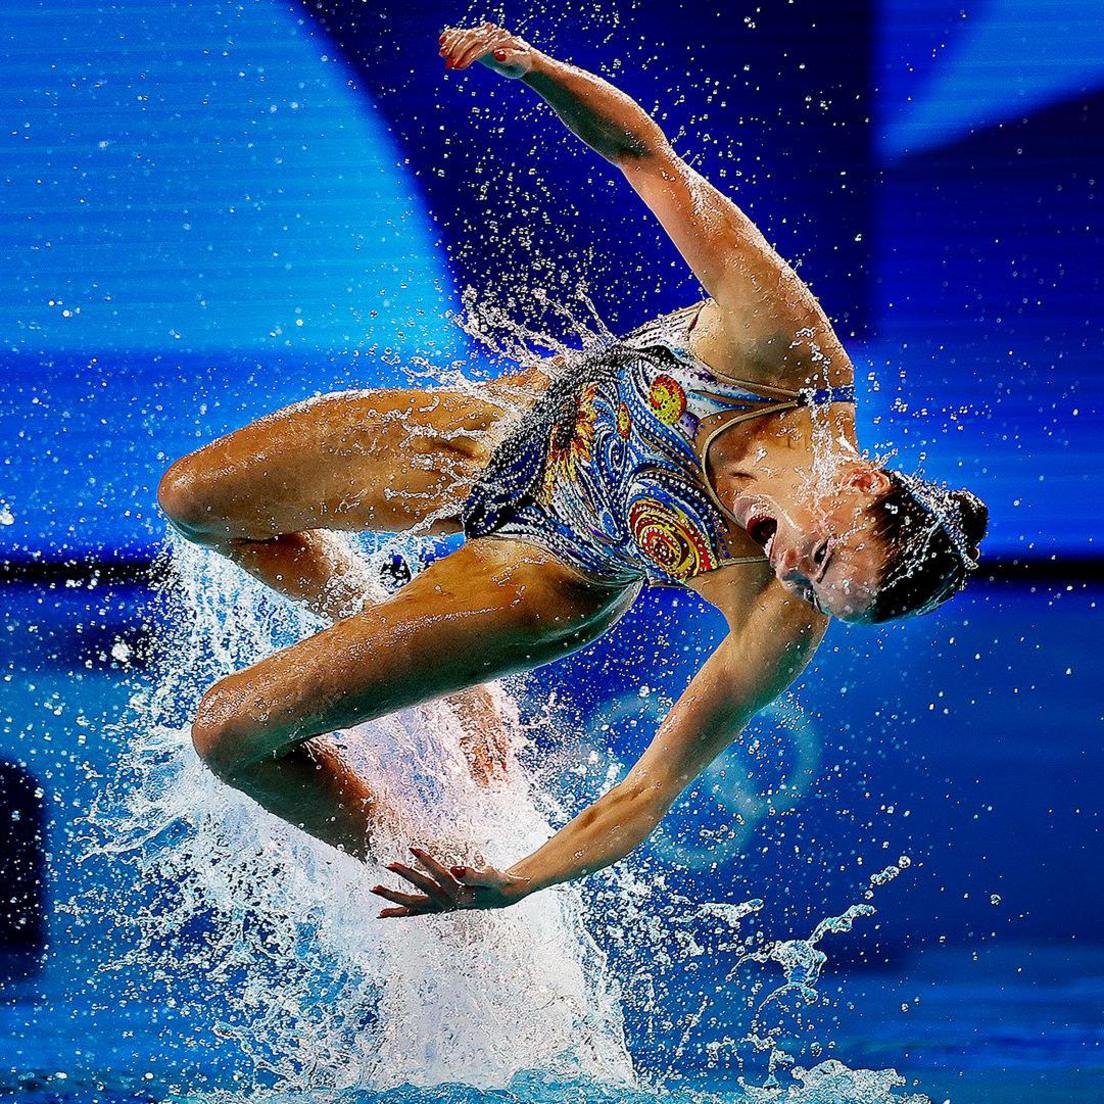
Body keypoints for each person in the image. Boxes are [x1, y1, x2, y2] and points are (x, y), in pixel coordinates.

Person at [156, 23, 988, 919]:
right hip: (491, 441)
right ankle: (424, 669)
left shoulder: (781, 614)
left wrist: (508, 885)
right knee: (195, 501)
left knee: (230, 732)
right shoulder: (783, 352)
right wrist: (535, 69)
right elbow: (645, 153)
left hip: (540, 578)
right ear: (863, 483)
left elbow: (648, 793)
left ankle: (411, 855)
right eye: (820, 560)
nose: (791, 576)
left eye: (820, 594)